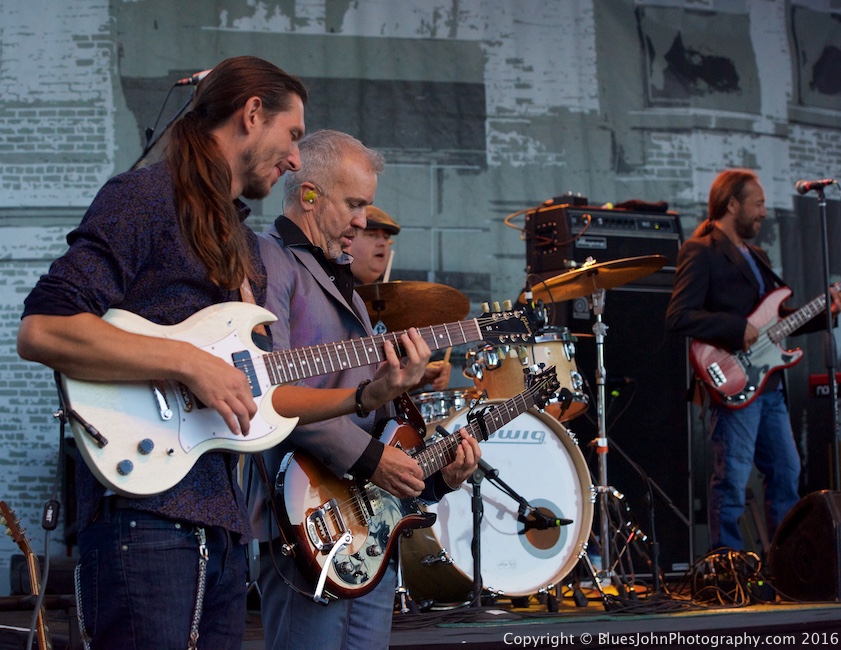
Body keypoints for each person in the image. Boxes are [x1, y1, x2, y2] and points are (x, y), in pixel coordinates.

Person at [16, 56, 307, 649]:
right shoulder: (145, 199)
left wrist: (369, 391)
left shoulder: (244, 246)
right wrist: (187, 362)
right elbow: (43, 329)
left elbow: (263, 390)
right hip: (143, 527)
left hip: (222, 533)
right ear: (253, 114)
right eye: (293, 135)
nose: (297, 159)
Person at [248, 129, 481, 650]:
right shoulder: (269, 260)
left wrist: (436, 475)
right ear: (308, 195)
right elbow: (272, 391)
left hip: (362, 529)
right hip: (304, 518)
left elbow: (375, 418)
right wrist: (371, 458)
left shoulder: (342, 284)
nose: (363, 220)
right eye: (355, 204)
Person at [666, 168, 840, 552]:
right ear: (732, 204)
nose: (763, 212)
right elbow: (679, 316)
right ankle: (728, 567)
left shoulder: (757, 256)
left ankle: (788, 565)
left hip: (771, 386)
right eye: (757, 204)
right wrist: (734, 326)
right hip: (734, 378)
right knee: (732, 480)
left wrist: (830, 310)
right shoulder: (701, 250)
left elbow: (778, 321)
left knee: (786, 474)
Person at [348, 205, 452, 391]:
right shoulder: (332, 293)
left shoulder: (393, 302)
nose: (382, 243)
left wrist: (420, 375)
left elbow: (382, 386)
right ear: (348, 238)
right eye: (372, 235)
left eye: (386, 238)